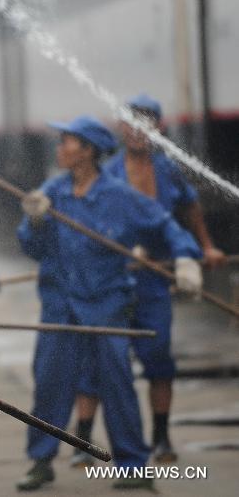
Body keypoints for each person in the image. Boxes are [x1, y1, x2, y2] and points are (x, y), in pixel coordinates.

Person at [15, 115, 202, 491]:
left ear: (87, 151)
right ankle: (40, 461)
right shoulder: (52, 193)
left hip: (106, 305)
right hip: (61, 308)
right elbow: (32, 248)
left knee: (117, 384)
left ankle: (133, 465)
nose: (59, 148)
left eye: (66, 141)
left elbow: (168, 226)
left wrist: (185, 259)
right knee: (50, 385)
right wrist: (34, 222)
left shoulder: (121, 197)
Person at [70, 94, 227, 466]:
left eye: (148, 123)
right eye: (132, 122)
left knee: (158, 358)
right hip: (111, 282)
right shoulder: (106, 175)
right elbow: (88, 226)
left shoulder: (168, 170)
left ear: (159, 129)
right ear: (122, 128)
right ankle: (82, 441)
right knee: (98, 359)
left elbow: (189, 207)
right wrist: (122, 249)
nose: (139, 131)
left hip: (154, 281)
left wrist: (204, 247)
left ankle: (161, 438)